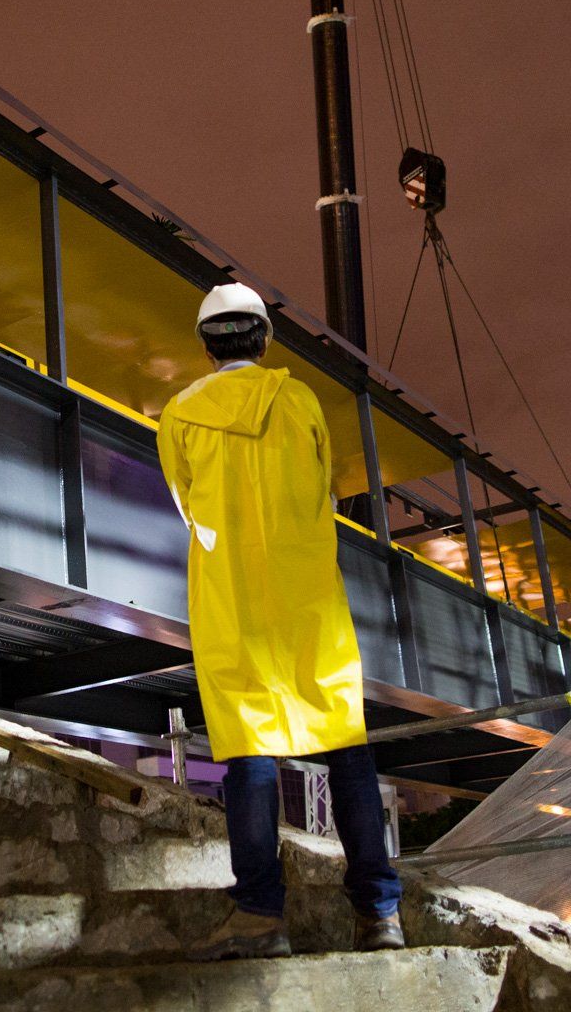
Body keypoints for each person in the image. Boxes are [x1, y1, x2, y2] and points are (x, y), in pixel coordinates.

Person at [157, 283, 405, 960]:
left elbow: (187, 505)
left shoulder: (180, 413)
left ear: (207, 347)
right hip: (308, 599)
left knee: (250, 758)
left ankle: (262, 917)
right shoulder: (299, 400)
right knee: (347, 750)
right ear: (265, 340)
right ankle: (379, 914)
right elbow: (326, 486)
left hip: (233, 602)